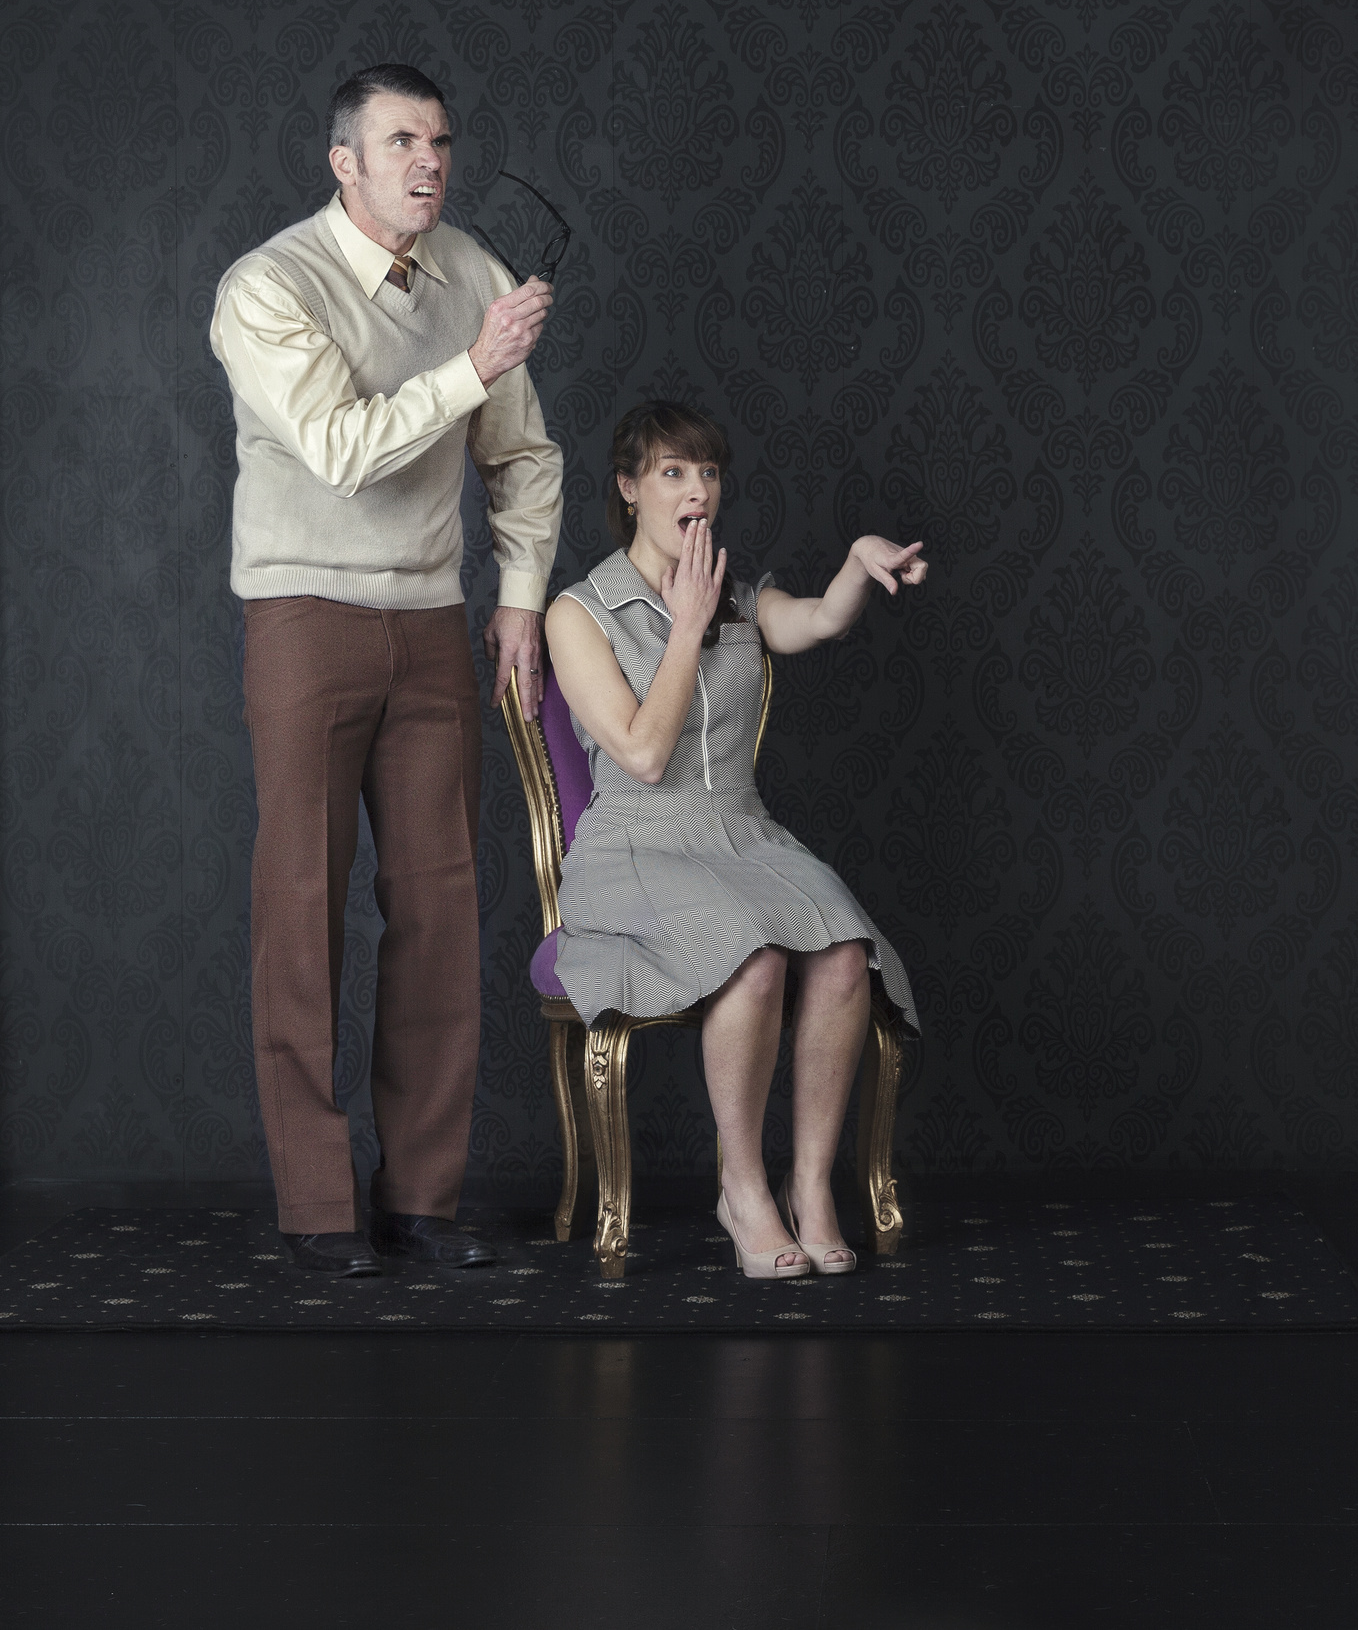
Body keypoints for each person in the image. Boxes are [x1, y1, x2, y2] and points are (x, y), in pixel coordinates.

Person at [210, 63, 562, 1274]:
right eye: (402, 140)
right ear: (343, 162)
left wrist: (520, 600)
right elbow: (343, 452)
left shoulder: (471, 270)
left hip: (430, 620)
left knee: (440, 907)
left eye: (442, 141)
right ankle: (317, 1208)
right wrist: (474, 364)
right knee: (300, 906)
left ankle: (422, 1198)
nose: (430, 161)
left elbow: (524, 455)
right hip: (305, 616)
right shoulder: (268, 285)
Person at [544, 402, 927, 1278]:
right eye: (673, 472)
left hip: (743, 836)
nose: (698, 491)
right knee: (753, 959)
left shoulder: (737, 595)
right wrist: (685, 628)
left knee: (844, 951)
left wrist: (857, 566)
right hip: (636, 846)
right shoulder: (580, 613)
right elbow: (643, 756)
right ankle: (743, 1190)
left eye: (709, 473)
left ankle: (812, 1187)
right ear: (629, 488)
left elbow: (815, 621)